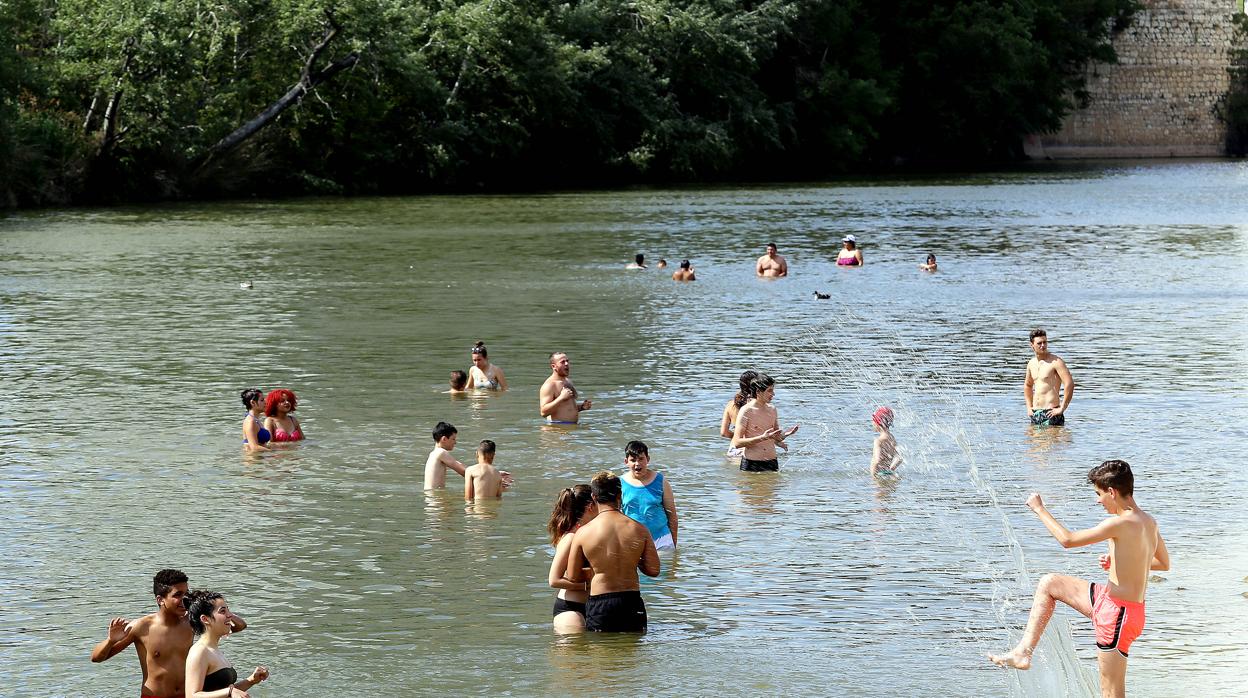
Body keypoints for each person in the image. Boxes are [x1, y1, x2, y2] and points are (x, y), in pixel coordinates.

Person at [989, 460, 1169, 698]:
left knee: (1111, 693)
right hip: (1114, 603)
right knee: (1049, 583)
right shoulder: (1148, 521)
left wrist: (1040, 509)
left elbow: (1068, 540)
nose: (1098, 500)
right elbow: (1163, 563)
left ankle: (1023, 653)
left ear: (1112, 492)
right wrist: (1119, 562)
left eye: (1099, 494)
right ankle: (1023, 652)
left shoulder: (1118, 523)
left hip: (1117, 616)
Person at [91, 569, 247, 698]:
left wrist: (210, 606)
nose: (183, 600)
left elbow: (238, 626)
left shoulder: (191, 622)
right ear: (160, 600)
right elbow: (97, 658)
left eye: (186, 594)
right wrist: (110, 641)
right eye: (177, 595)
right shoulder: (141, 626)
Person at [565, 471, 660, 632]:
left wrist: (599, 569)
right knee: (631, 654)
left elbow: (573, 576)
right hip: (631, 601)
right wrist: (632, 558)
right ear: (620, 495)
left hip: (601, 603)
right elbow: (654, 570)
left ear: (594, 498)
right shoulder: (639, 529)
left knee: (601, 653)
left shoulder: (583, 533)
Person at [184, 590, 269, 698]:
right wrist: (230, 691)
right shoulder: (199, 652)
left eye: (228, 610)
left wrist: (251, 680)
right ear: (205, 619)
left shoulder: (213, 649)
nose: (230, 615)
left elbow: (220, 692)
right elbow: (192, 695)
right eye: (223, 611)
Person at [546, 484, 598, 633]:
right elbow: (554, 580)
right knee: (575, 653)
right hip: (570, 608)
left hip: (593, 607)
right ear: (591, 506)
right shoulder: (570, 537)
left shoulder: (591, 534)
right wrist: (587, 587)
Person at [731, 373, 799, 471]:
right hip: (752, 464)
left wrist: (786, 434)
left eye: (773, 390)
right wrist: (762, 438)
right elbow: (737, 443)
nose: (773, 394)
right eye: (769, 391)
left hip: (772, 462)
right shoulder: (746, 411)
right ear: (758, 392)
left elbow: (774, 437)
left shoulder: (772, 409)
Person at [620, 441, 678, 550]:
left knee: (666, 566)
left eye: (641, 459)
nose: (637, 464)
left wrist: (673, 541)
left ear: (648, 459)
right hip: (632, 541)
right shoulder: (620, 484)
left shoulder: (661, 481)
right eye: (633, 460)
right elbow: (615, 515)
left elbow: (672, 515)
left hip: (662, 540)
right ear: (626, 461)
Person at [1024, 329, 1075, 426]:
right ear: (1032, 345)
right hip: (1035, 413)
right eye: (1039, 343)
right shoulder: (1031, 363)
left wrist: (1062, 408)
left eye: (1045, 342)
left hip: (1051, 413)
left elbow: (1069, 384)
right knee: (1033, 440)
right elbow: (1028, 385)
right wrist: (1029, 407)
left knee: (1051, 441)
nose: (1043, 345)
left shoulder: (1056, 362)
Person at [539, 352, 592, 424]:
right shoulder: (549, 385)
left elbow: (566, 408)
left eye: (567, 361)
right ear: (553, 366)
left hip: (570, 428)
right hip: (556, 429)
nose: (566, 364)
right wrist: (561, 398)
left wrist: (581, 407)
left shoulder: (568, 381)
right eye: (562, 362)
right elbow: (543, 412)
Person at [719, 370, 759, 458]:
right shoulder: (758, 404)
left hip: (734, 450)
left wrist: (737, 437)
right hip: (752, 450)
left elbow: (723, 432)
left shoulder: (730, 404)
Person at [870, 407, 901, 477]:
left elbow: (877, 461)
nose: (872, 424)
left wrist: (873, 477)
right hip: (887, 474)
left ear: (878, 423)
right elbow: (899, 459)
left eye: (873, 421)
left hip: (878, 475)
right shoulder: (892, 438)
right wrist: (890, 470)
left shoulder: (878, 441)